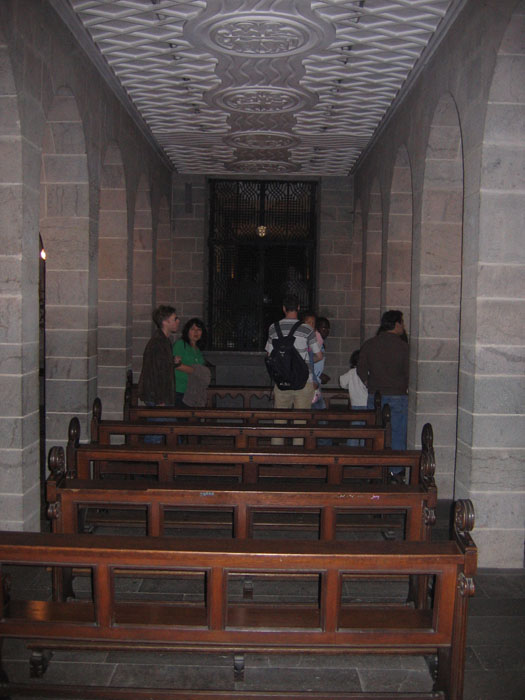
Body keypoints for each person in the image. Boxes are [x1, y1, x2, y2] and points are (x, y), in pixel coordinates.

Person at [357, 310, 409, 475]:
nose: (403, 326)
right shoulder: (403, 347)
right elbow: (409, 372)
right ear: (396, 324)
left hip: (376, 395)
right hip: (398, 395)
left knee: (375, 432)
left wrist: (370, 383)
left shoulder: (370, 344)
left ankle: (373, 466)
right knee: (398, 433)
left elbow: (360, 370)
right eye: (402, 322)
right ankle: (396, 469)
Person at [265, 295, 322, 411]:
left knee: (280, 418)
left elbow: (269, 355)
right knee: (301, 419)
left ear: (284, 308)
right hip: (304, 380)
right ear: (298, 307)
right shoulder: (307, 329)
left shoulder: (273, 328)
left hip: (282, 380)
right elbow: (319, 356)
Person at [138, 305, 179, 406]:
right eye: (174, 319)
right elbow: (155, 372)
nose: (178, 321)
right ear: (165, 322)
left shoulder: (164, 340)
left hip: (161, 395)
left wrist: (173, 361)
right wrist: (160, 400)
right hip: (158, 397)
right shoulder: (158, 342)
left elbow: (163, 364)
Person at [173, 317, 207, 407]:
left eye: (199, 330)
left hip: (194, 391)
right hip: (180, 390)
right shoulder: (180, 345)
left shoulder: (198, 350)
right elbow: (176, 365)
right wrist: (198, 372)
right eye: (192, 329)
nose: (196, 332)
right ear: (187, 331)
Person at [339, 350, 368, 446]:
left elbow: (342, 382)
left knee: (355, 428)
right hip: (367, 404)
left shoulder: (351, 373)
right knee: (366, 429)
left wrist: (350, 386)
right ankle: (364, 447)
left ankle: (352, 447)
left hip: (356, 404)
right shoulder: (368, 372)